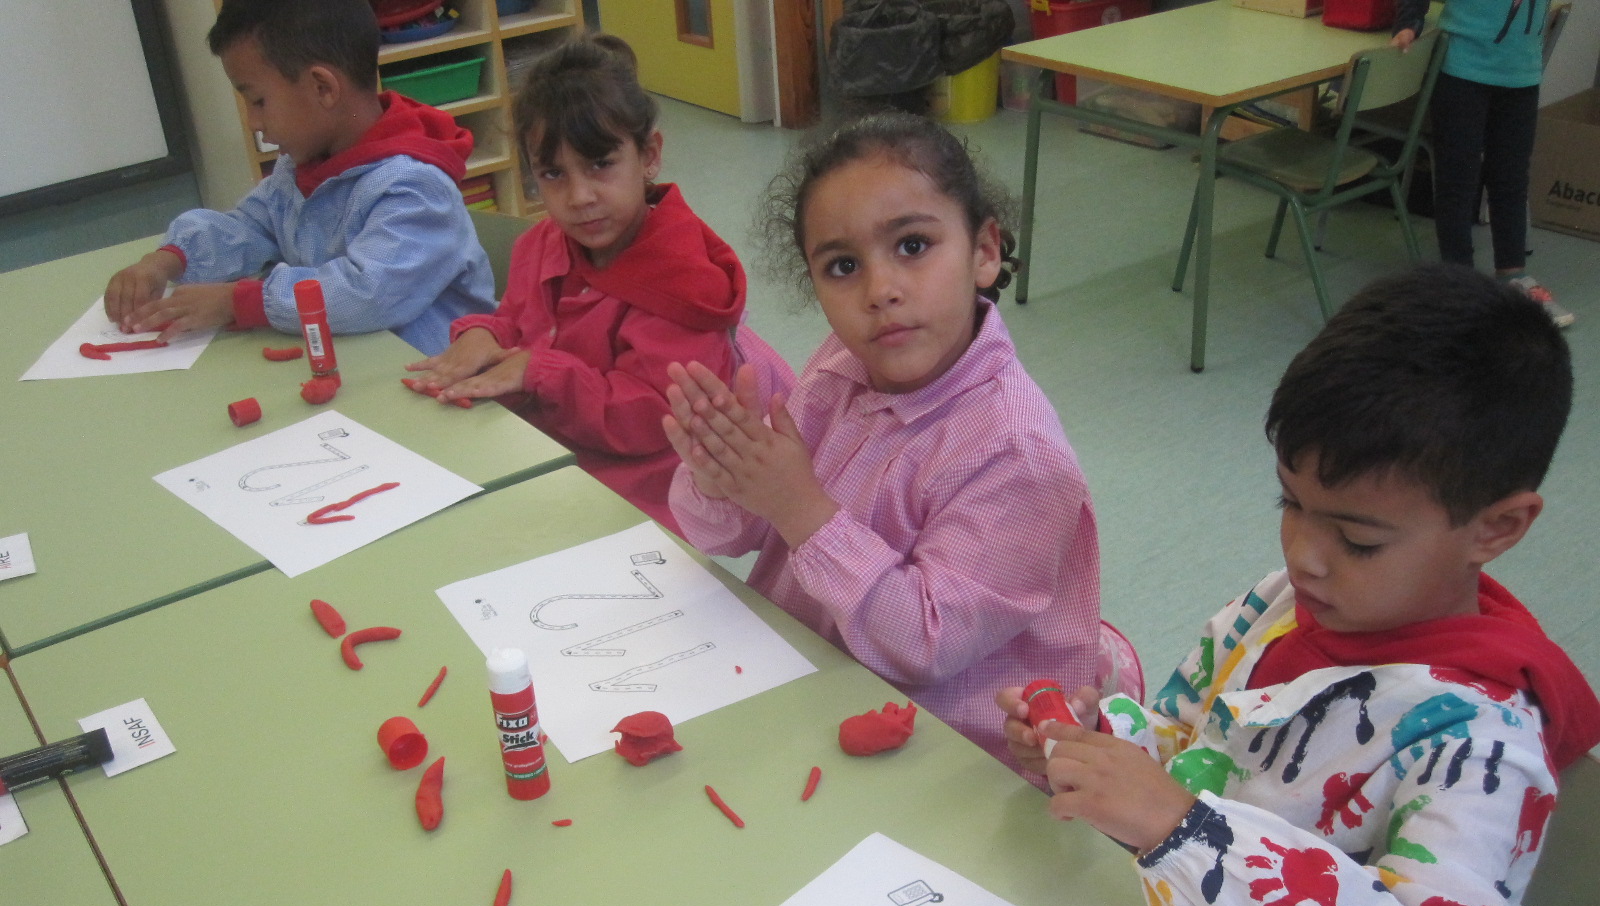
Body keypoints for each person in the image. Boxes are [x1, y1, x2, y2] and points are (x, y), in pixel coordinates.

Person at [1000, 264, 1600, 906]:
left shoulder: (1480, 746)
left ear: (1496, 528)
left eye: (1357, 539)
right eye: (1291, 503)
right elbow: (1190, 745)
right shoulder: (1282, 603)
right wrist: (1100, 744)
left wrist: (1177, 828)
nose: (1304, 555)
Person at [665, 111, 1128, 771]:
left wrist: (799, 507)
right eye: (843, 266)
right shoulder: (841, 368)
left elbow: (926, 646)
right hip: (809, 685)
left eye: (912, 246)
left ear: (985, 252)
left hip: (948, 756)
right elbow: (726, 535)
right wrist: (724, 479)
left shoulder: (1017, 452)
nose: (880, 291)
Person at [403, 32, 785, 533]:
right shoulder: (541, 243)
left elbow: (654, 419)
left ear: (649, 156)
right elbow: (517, 320)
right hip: (543, 458)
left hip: (642, 497)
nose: (579, 196)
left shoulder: (682, 282)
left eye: (600, 164)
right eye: (553, 174)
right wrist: (484, 334)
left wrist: (540, 372)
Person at [103, 0, 494, 355]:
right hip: (353, 362)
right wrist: (167, 261)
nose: (254, 123)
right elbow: (250, 227)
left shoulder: (415, 187)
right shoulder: (302, 165)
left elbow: (367, 294)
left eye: (259, 101)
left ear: (322, 88)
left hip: (435, 377)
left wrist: (237, 302)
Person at [1392, 0, 1574, 327]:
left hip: (1521, 74)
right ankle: (1459, 281)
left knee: (1511, 179)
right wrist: (1408, 24)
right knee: (1457, 181)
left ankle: (1513, 275)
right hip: (1462, 70)